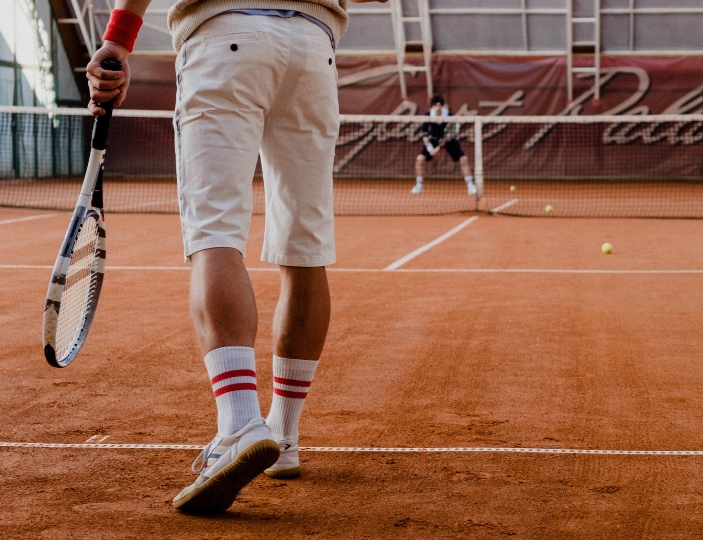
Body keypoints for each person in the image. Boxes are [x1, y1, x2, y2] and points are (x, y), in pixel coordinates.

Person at [86, 0, 386, 514]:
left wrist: (117, 38)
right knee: (306, 253)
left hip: (225, 37)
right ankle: (283, 437)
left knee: (215, 235)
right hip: (314, 49)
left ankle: (240, 423)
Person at [411, 94, 476, 196]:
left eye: (439, 105)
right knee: (420, 159)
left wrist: (446, 139)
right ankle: (419, 186)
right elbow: (424, 134)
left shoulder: (448, 115)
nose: (438, 107)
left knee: (464, 159)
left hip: (448, 139)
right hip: (433, 140)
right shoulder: (428, 115)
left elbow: (454, 128)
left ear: (442, 105)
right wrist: (430, 147)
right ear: (432, 106)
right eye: (436, 105)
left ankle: (471, 186)